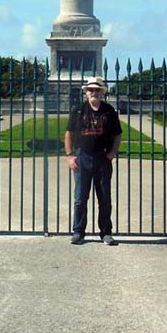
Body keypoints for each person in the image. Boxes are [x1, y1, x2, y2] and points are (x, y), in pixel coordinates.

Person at [65, 76, 122, 245]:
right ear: (86, 92)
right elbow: (68, 133)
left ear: (102, 92)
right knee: (80, 198)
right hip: (82, 157)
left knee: (104, 198)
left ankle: (105, 232)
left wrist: (112, 153)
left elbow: (117, 134)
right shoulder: (78, 110)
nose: (93, 92)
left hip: (102, 158)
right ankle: (78, 232)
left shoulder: (109, 111)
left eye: (97, 90)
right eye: (91, 90)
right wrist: (70, 155)